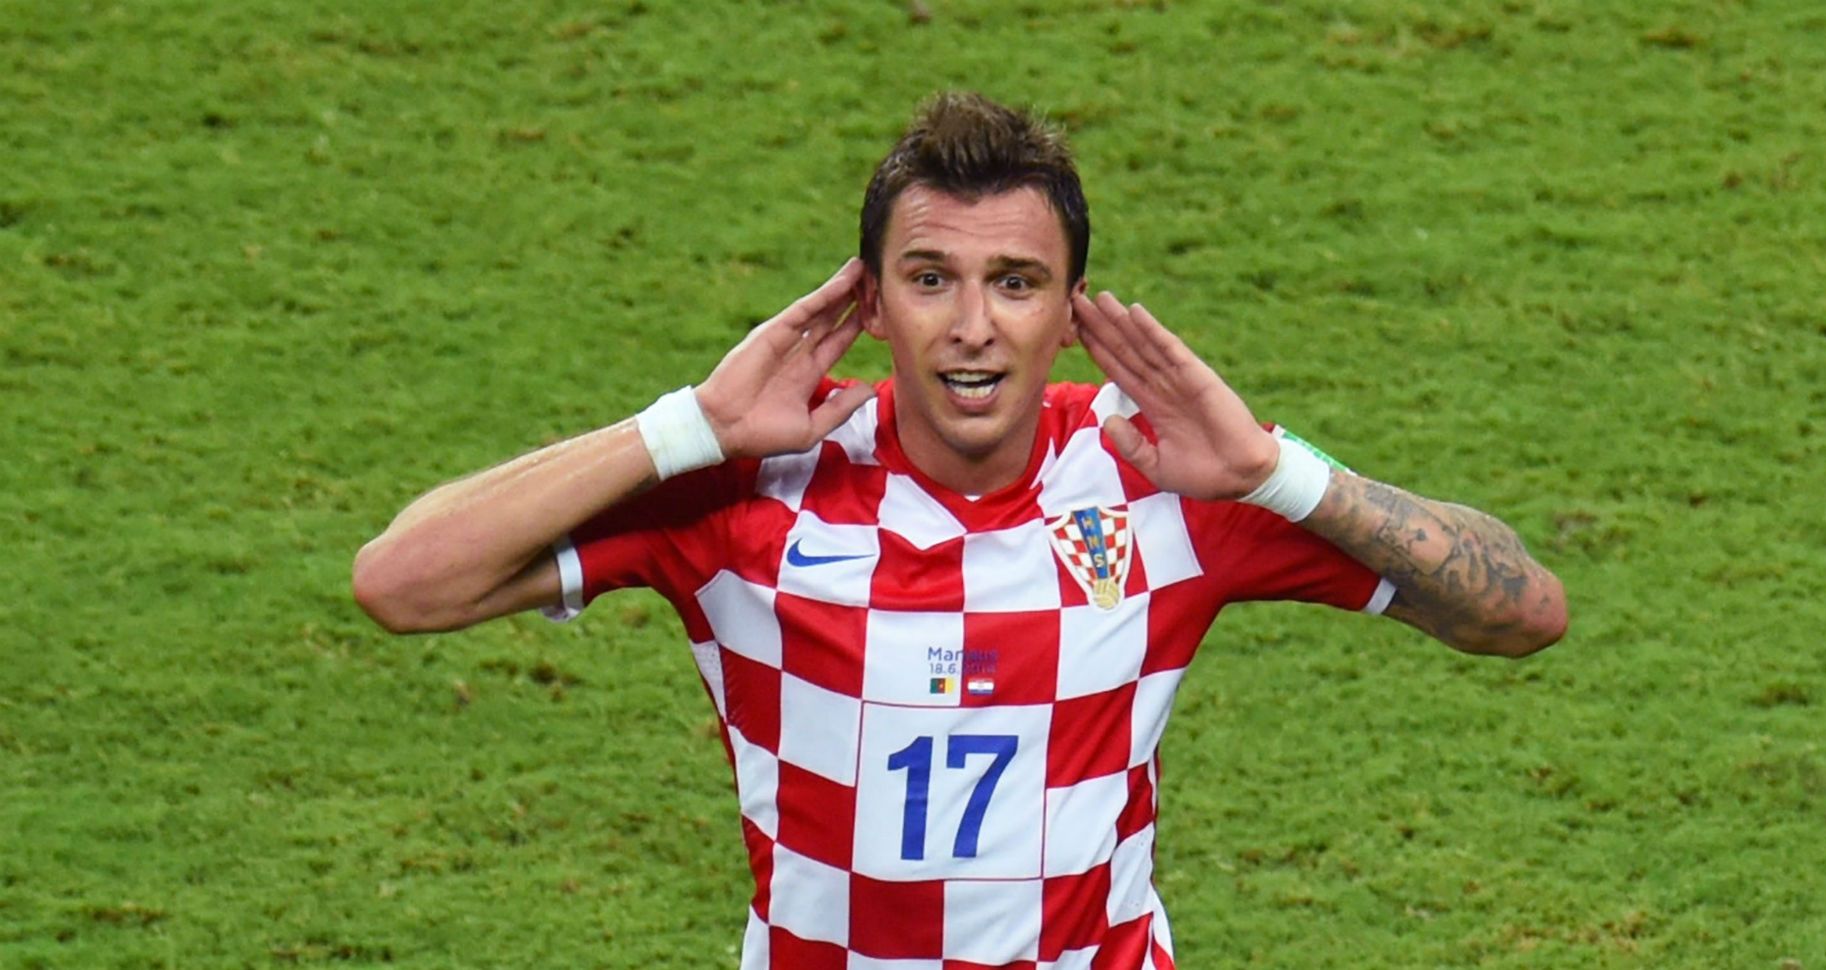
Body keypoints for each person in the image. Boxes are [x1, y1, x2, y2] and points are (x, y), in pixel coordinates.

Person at [354, 92, 1566, 969]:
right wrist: (688, 427)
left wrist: (1273, 472)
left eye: (1015, 283)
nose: (972, 325)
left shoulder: (1169, 476)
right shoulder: (747, 487)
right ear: (871, 302)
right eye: (930, 277)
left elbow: (1521, 612)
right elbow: (403, 582)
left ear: (1070, 313)